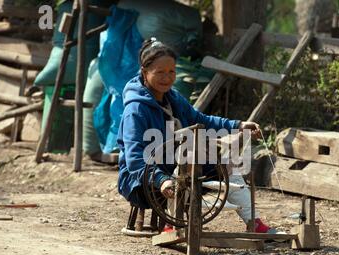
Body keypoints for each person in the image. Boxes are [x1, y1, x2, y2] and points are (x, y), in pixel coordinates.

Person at [117, 38, 280, 234]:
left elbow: (201, 119)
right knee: (185, 162)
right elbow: (135, 161)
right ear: (144, 72)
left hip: (175, 168)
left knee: (229, 165)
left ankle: (254, 223)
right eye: (159, 72)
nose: (167, 78)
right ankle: (172, 224)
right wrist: (161, 180)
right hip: (140, 181)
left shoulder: (173, 98)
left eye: (171, 72)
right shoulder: (136, 110)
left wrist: (238, 125)